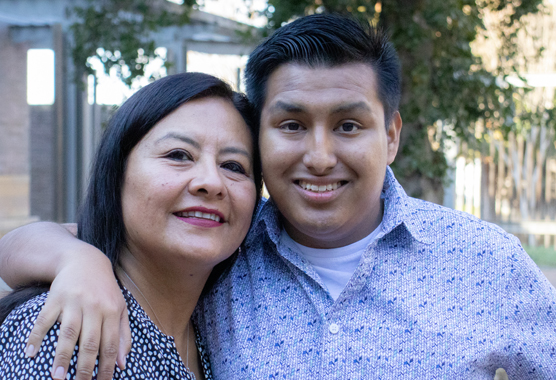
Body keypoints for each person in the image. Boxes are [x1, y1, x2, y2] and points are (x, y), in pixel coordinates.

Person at [1, 13, 556, 379]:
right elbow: (54, 242)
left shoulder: (483, 261)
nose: (318, 155)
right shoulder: (222, 252)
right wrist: (78, 259)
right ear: (262, 134)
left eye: (347, 125)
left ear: (390, 136)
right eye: (291, 125)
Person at [0, 72, 262, 379]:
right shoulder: (69, 328)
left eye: (233, 166)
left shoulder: (221, 329)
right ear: (117, 174)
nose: (211, 182)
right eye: (178, 155)